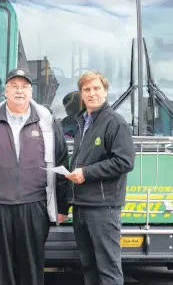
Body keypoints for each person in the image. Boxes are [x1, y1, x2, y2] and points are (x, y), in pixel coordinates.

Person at [0, 68, 69, 285]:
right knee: (0, 269)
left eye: (24, 87)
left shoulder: (46, 119)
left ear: (31, 91)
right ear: (5, 91)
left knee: (31, 269)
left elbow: (61, 162)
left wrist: (62, 207)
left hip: (35, 206)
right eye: (14, 86)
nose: (19, 91)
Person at [65, 71, 135, 285]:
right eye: (87, 90)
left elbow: (124, 161)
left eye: (96, 89)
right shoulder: (82, 121)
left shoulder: (115, 122)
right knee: (89, 266)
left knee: (108, 270)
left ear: (105, 91)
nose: (92, 93)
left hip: (103, 209)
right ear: (81, 94)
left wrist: (86, 173)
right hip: (82, 206)